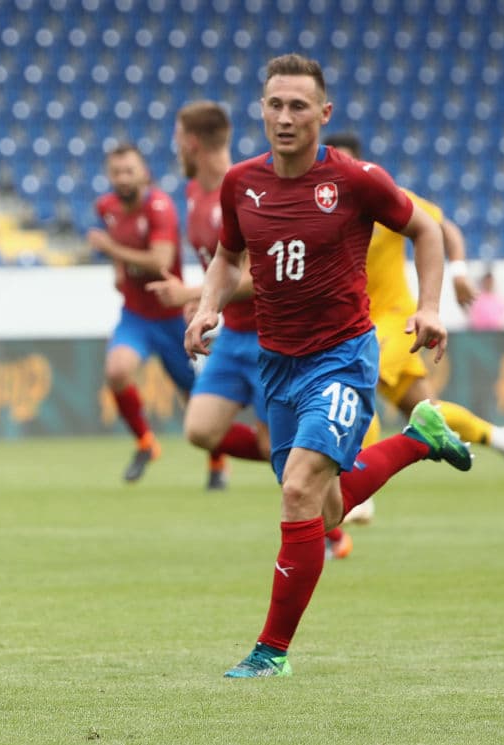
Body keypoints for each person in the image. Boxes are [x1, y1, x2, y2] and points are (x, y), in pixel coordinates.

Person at [184, 54, 472, 678]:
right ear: (260, 110)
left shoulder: (356, 180)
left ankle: (271, 652)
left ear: (324, 113)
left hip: (343, 358)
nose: (285, 117)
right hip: (277, 364)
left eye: (298, 106)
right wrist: (207, 307)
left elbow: (426, 229)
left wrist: (429, 307)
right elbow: (228, 258)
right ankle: (419, 440)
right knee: (327, 508)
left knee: (296, 493)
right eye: (275, 105)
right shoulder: (241, 184)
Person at [146, 101, 353, 558]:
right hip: (231, 335)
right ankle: (314, 466)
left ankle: (330, 520)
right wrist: (203, 304)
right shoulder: (193, 193)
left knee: (275, 450)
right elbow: (216, 264)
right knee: (200, 429)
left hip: (268, 337)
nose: (174, 146)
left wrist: (193, 297)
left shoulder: (245, 189)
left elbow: (266, 275)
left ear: (192, 142)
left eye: (178, 137)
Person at [324, 133, 504, 506]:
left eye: (346, 162)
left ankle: (359, 487)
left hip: (395, 318)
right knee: (426, 411)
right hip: (355, 322)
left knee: (357, 379)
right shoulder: (323, 210)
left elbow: (444, 229)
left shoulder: (382, 195)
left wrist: (458, 272)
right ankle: (499, 436)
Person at [86, 143, 224, 486]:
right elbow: (121, 244)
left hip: (170, 317)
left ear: (144, 173)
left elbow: (161, 260)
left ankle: (218, 463)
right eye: (116, 172)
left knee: (194, 397)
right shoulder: (106, 207)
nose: (122, 178)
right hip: (135, 316)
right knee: (117, 371)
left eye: (129, 170)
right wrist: (118, 269)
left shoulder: (160, 208)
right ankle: (146, 443)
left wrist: (110, 250)